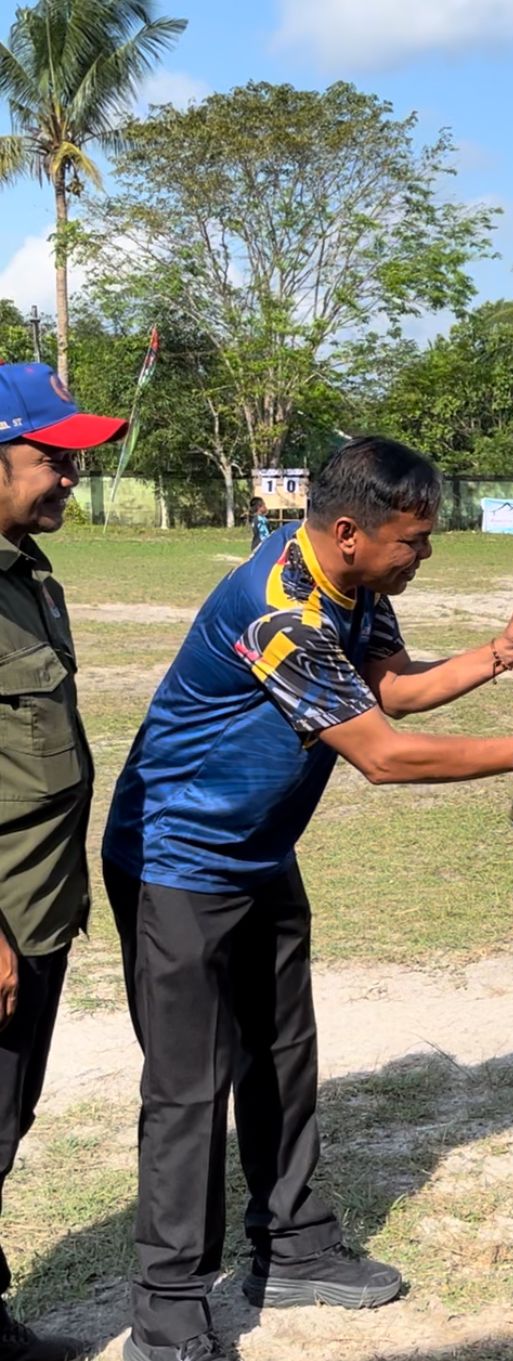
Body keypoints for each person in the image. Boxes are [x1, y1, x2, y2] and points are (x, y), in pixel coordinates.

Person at [101, 436, 513, 1361]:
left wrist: (497, 653)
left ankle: (293, 1247)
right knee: (186, 1088)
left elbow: (392, 693)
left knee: (283, 1055)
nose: (423, 556)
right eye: (411, 541)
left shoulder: (355, 589)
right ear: (348, 531)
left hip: (257, 855)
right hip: (175, 863)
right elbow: (382, 754)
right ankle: (167, 1311)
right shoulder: (278, 611)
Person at [0, 364, 127, 1361]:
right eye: (55, 458)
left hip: (37, 903)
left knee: (6, 1118)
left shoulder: (27, 573)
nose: (72, 479)